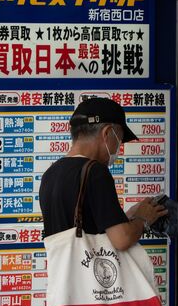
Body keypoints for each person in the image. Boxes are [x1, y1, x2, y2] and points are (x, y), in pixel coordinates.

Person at [39, 98, 167, 250]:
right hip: (91, 272)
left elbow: (88, 228)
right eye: (119, 139)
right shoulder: (95, 172)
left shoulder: (50, 174)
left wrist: (129, 216)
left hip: (63, 273)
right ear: (107, 133)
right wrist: (143, 219)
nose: (118, 148)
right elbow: (122, 240)